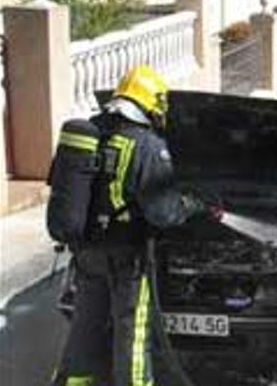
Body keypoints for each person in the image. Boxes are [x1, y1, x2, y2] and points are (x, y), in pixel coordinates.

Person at [49, 65, 219, 386]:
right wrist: (195, 205)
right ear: (149, 103)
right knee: (133, 334)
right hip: (127, 258)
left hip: (87, 251)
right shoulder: (146, 146)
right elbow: (164, 213)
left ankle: (72, 381)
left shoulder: (91, 132)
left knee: (86, 324)